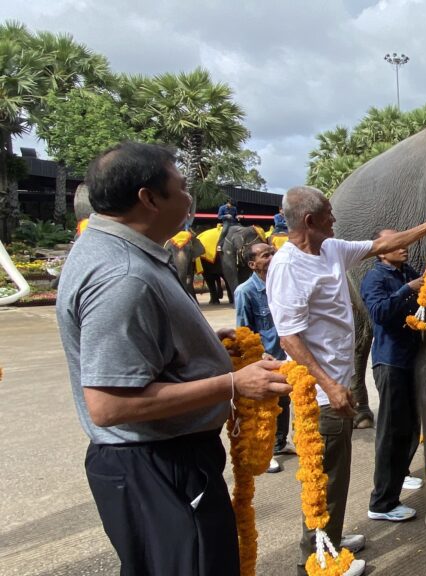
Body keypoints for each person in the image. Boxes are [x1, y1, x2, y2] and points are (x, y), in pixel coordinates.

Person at [56, 141, 290, 576]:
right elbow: (109, 405)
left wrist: (197, 344)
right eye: (182, 187)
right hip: (160, 467)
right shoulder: (122, 276)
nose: (188, 198)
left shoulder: (125, 252)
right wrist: (233, 383)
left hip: (163, 461)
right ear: (148, 198)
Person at [266, 186, 426, 576]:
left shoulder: (330, 249)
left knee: (338, 472)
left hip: (339, 386)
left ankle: (330, 537)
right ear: (309, 221)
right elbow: (289, 338)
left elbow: (383, 243)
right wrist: (329, 385)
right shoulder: (287, 267)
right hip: (321, 394)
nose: (335, 218)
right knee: (325, 478)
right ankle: (317, 559)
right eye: (328, 213)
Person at [359, 230, 426, 523]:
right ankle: (382, 503)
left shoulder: (406, 272)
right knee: (390, 431)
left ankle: (400, 475)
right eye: (397, 244)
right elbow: (379, 313)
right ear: (381, 251)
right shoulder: (374, 279)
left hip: (412, 360)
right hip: (390, 362)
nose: (404, 247)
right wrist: (407, 289)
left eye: (404, 242)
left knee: (410, 426)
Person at [235, 242, 294, 474]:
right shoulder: (245, 292)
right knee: (264, 408)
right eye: (265, 255)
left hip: (283, 356)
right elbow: (243, 332)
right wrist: (259, 353)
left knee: (284, 402)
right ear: (252, 264)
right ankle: (265, 452)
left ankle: (280, 444)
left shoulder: (282, 284)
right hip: (264, 358)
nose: (272, 257)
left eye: (273, 253)